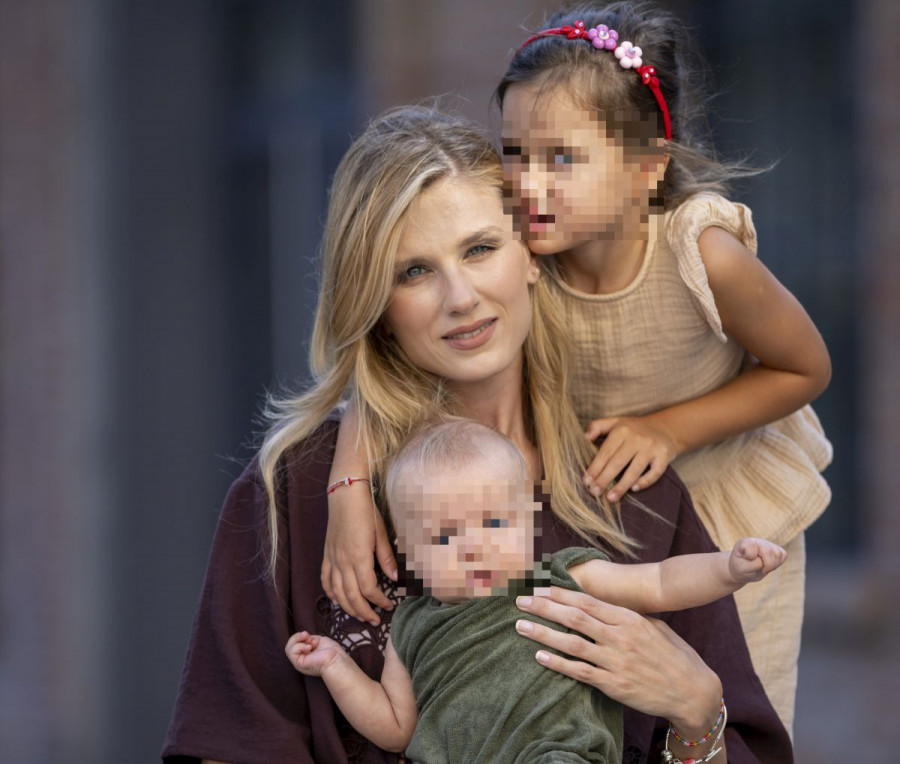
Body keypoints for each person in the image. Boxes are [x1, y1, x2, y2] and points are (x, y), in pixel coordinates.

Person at [162, 105, 793, 764]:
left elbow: (737, 741)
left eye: (480, 249)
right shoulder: (297, 492)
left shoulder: (635, 492)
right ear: (377, 305)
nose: (459, 296)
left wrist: (696, 713)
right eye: (413, 271)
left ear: (530, 255)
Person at [325, 0, 831, 736]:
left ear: (647, 168)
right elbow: (387, 368)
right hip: (618, 511)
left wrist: (669, 430)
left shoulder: (702, 254)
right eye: (515, 152)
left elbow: (804, 369)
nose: (529, 184)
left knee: (732, 707)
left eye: (562, 158)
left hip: (732, 496)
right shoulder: (526, 254)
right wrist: (347, 489)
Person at [287, 419, 787, 763]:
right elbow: (396, 726)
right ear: (408, 553)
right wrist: (335, 667)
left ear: (528, 523)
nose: (472, 549)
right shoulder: (411, 624)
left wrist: (729, 567)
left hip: (560, 752)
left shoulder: (560, 576)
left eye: (493, 524)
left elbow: (659, 582)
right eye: (443, 537)